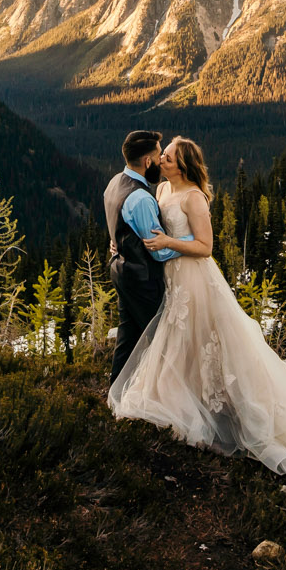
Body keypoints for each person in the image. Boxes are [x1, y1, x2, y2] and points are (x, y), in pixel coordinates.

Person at [108, 136, 286, 476]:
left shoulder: (193, 198)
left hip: (194, 279)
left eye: (167, 158)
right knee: (180, 345)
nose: (162, 161)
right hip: (171, 279)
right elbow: (146, 232)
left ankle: (229, 410)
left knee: (206, 342)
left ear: (182, 166)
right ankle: (187, 403)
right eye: (161, 156)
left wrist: (168, 242)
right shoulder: (161, 192)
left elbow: (205, 246)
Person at [103, 129, 174, 383]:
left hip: (121, 271)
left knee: (129, 334)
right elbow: (160, 250)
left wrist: (117, 245)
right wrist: (191, 242)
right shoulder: (141, 198)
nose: (159, 162)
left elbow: (118, 225)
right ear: (147, 162)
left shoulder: (114, 183)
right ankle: (161, 398)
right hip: (142, 279)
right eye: (157, 157)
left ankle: (117, 392)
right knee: (162, 338)